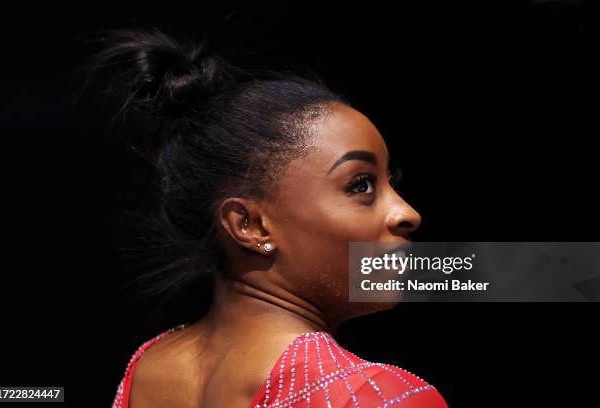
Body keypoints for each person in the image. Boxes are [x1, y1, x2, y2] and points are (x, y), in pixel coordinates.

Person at [82, 26, 448, 407]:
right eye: (361, 186)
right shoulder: (374, 395)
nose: (408, 213)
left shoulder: (147, 369)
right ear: (250, 225)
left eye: (392, 182)